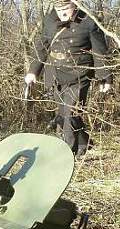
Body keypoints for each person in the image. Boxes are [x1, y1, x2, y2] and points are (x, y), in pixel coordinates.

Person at [25, 0, 112, 156]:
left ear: (75, 5)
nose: (63, 13)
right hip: (56, 74)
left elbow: (100, 52)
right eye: (59, 10)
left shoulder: (88, 21)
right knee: (63, 115)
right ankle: (83, 145)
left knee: (70, 115)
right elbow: (42, 46)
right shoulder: (49, 20)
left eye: (66, 9)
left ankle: (65, 155)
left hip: (79, 75)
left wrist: (105, 77)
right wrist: (33, 71)